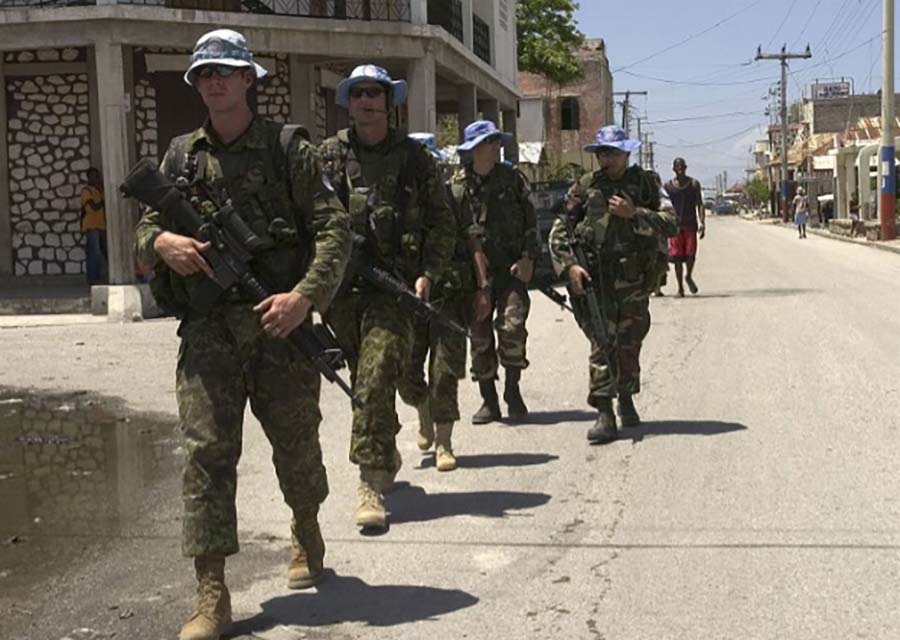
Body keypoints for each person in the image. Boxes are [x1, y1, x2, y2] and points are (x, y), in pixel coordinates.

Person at [133, 29, 351, 640]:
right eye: (205, 74)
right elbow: (144, 231)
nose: (215, 81)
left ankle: (306, 529)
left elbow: (336, 231)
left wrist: (304, 298)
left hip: (278, 328)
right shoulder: (181, 156)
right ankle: (212, 593)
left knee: (297, 444)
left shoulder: (289, 150)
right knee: (205, 456)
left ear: (250, 79)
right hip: (208, 335)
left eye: (227, 71)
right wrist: (162, 243)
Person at [319, 65, 455, 531]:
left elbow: (442, 222)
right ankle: (388, 444)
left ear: (389, 101)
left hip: (394, 289)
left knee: (375, 377)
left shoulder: (415, 159)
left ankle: (369, 482)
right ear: (349, 102)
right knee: (364, 380)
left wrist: (429, 274)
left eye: (375, 92)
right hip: (342, 292)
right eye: (358, 93)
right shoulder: (329, 156)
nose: (367, 101)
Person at [548, 125, 677, 445]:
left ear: (626, 154)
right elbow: (560, 229)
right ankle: (604, 411)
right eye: (603, 153)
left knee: (630, 342)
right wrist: (570, 265)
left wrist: (635, 214)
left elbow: (671, 223)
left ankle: (627, 397)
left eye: (613, 153)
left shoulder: (647, 184)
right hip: (597, 279)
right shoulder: (585, 187)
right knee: (602, 341)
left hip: (634, 278)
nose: (607, 159)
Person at [399, 132, 484, 472]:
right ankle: (422, 409)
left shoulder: (456, 194)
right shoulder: (396, 197)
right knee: (406, 371)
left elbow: (473, 240)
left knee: (445, 372)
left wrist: (483, 287)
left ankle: (444, 443)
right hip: (408, 297)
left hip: (452, 296)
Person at [448, 120, 540, 426]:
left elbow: (531, 221)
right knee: (480, 337)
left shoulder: (513, 179)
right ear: (474, 149)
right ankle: (488, 399)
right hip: (474, 276)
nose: (496, 147)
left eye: (497, 141)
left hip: (511, 269)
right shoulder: (456, 186)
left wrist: (528, 258)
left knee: (512, 328)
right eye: (490, 142)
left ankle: (512, 391)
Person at [664, 158, 704, 296]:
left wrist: (702, 223)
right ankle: (680, 288)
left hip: (690, 225)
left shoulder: (693, 184)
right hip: (675, 227)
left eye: (682, 167)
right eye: (677, 167)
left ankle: (688, 276)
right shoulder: (668, 186)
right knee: (676, 258)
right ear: (674, 169)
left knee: (690, 256)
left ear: (686, 168)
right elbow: (664, 206)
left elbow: (700, 204)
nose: (680, 170)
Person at [80, 167, 107, 285]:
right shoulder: (87, 191)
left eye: (97, 176)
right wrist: (102, 202)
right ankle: (93, 278)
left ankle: (100, 276)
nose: (96, 178)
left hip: (101, 225)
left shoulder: (100, 190)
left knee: (103, 252)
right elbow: (92, 207)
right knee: (94, 252)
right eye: (93, 176)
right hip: (91, 226)